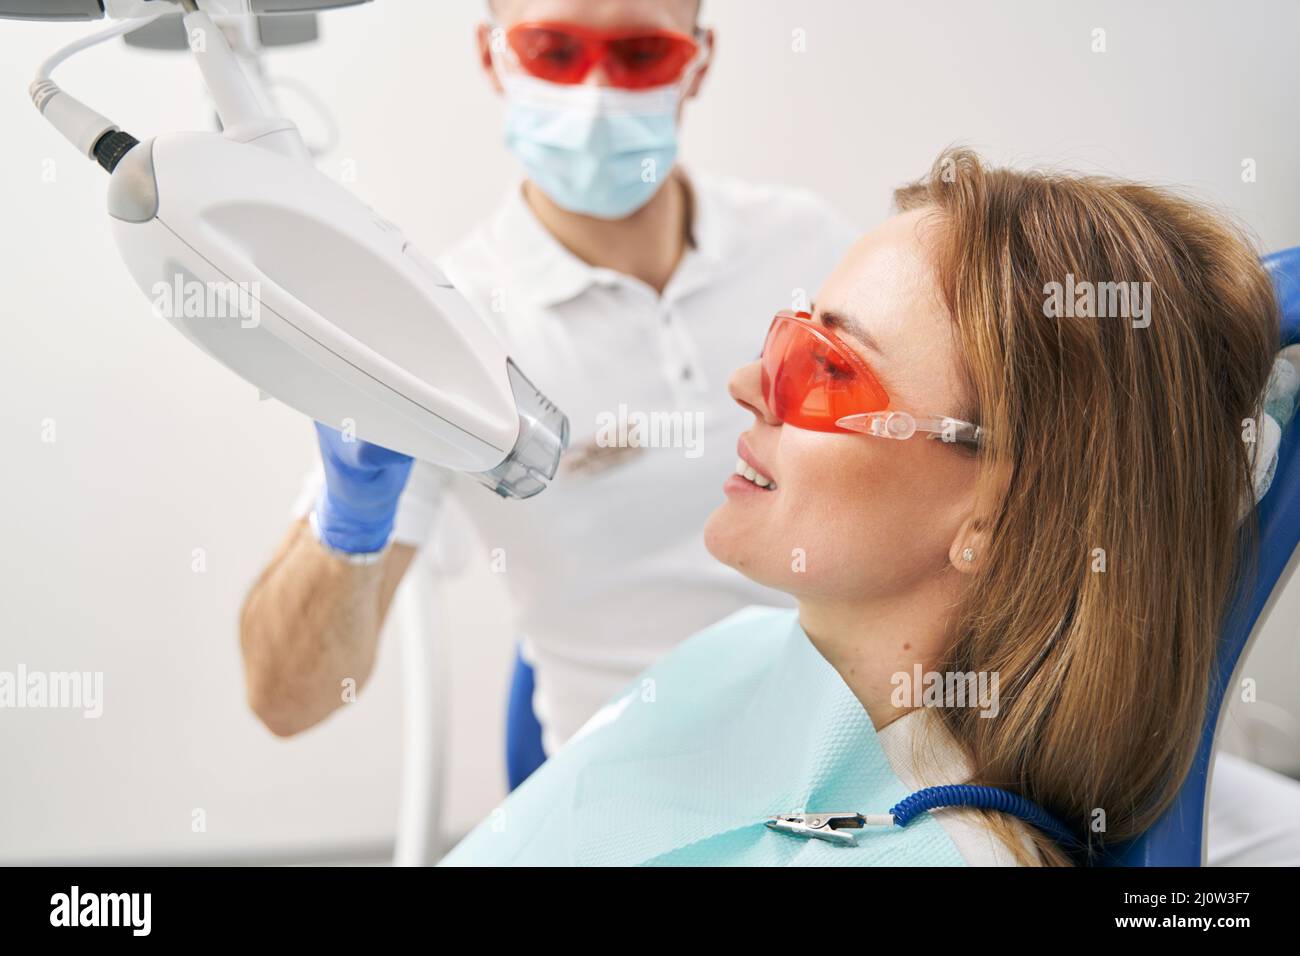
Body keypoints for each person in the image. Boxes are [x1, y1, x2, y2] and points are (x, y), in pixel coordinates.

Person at [437, 149, 1281, 866]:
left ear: (996, 508)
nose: (746, 387)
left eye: (826, 366)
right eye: (784, 338)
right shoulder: (734, 655)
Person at [238, 0, 857, 752]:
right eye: (553, 52)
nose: (594, 96)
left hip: (845, 755)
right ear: (491, 55)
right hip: (622, 793)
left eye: (639, 54)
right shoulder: (443, 330)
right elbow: (285, 700)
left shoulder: (810, 250)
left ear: (698, 62)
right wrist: (348, 519)